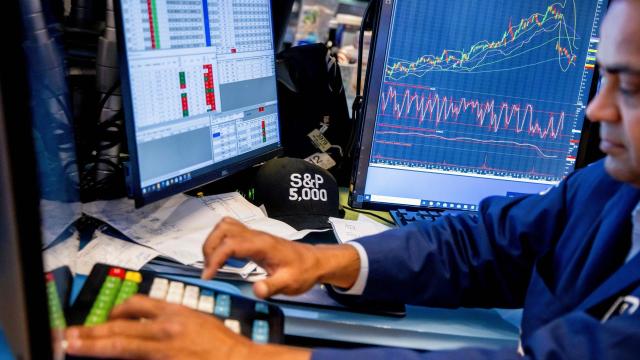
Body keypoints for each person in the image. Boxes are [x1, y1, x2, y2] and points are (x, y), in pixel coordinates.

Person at [64, 0, 640, 359]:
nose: (598, 111)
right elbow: (489, 245)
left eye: (631, 87)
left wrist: (251, 358)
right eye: (604, 80)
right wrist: (327, 262)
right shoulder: (613, 186)